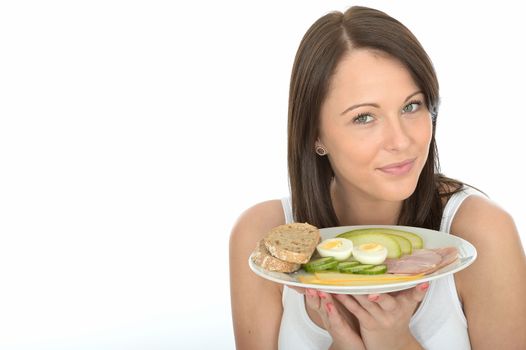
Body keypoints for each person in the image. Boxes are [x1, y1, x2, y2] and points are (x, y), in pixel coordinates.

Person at [229, 5, 526, 350]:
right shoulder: (262, 239)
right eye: (364, 118)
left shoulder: (481, 234)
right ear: (315, 135)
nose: (401, 141)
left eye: (411, 106)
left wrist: (394, 342)